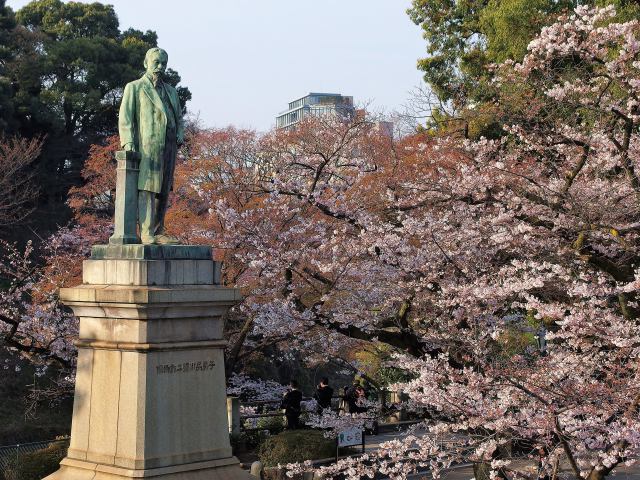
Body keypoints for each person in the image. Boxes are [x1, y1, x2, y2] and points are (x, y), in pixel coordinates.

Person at [119, 47, 185, 245]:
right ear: (146, 63)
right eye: (156, 62)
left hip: (169, 146)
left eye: (163, 63)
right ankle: (147, 232)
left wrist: (180, 134)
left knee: (163, 189)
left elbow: (178, 117)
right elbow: (126, 117)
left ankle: (159, 231)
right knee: (147, 187)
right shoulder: (135, 87)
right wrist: (128, 141)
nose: (160, 67)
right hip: (147, 146)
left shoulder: (171, 91)